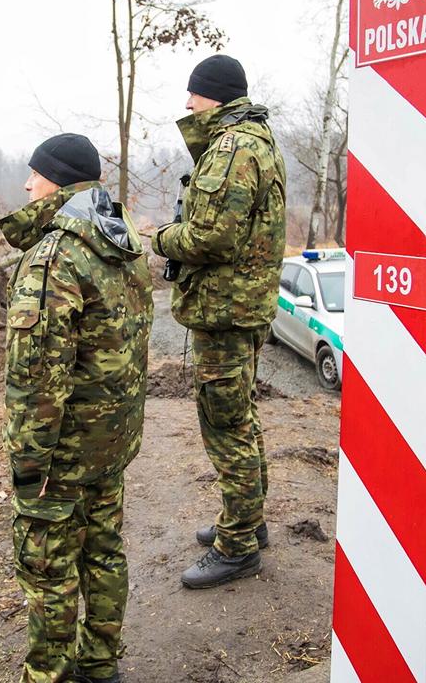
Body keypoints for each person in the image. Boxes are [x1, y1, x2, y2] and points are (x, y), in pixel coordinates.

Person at [0, 133, 153, 683]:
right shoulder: (122, 240)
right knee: (105, 550)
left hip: (61, 456)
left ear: (57, 180)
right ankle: (100, 665)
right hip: (110, 443)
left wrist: (29, 464)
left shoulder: (54, 256)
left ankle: (51, 676)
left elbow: (37, 379)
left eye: (34, 174)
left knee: (48, 572)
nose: (26, 184)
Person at [151, 54, 287, 589]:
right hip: (239, 308)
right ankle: (248, 523)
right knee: (241, 417)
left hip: (226, 314)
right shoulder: (255, 141)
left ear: (216, 96)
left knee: (225, 426)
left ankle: (237, 548)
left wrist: (159, 239)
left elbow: (210, 237)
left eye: (194, 95)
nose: (187, 105)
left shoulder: (232, 149)